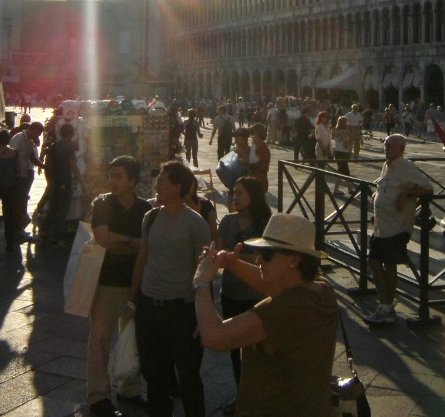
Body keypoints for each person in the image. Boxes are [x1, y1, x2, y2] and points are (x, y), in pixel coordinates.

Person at [194, 213, 338, 417]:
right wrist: (233, 264)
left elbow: (213, 337)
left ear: (294, 260)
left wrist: (201, 280)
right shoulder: (323, 291)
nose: (259, 259)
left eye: (267, 255)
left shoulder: (282, 310)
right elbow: (271, 284)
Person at [130, 161, 212, 417]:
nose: (156, 185)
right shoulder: (151, 216)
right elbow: (142, 258)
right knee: (154, 375)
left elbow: (205, 269)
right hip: (149, 305)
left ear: (177, 187)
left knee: (188, 375)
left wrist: (204, 313)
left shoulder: (195, 223)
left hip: (181, 309)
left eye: (162, 181)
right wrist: (133, 300)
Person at [86, 156, 151, 417]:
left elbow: (144, 248)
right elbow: (103, 239)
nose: (112, 181)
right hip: (106, 280)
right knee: (100, 339)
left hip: (136, 281)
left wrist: (123, 243)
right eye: (110, 175)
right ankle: (98, 396)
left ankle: (130, 389)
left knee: (133, 336)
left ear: (133, 180)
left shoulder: (145, 208)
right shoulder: (102, 203)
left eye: (118, 176)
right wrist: (132, 242)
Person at [213, 177, 271, 414]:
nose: (233, 197)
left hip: (256, 292)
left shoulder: (266, 224)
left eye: (239, 193)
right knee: (235, 350)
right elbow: (218, 253)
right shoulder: (227, 221)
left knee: (260, 350)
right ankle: (242, 396)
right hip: (230, 292)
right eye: (232, 193)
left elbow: (267, 262)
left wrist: (235, 260)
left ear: (253, 196)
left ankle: (262, 398)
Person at [364, 134, 433, 324]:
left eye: (390, 147)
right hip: (382, 225)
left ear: (401, 149)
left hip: (396, 226)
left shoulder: (407, 167)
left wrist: (408, 193)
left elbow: (428, 189)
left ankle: (386, 307)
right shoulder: (387, 165)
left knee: (379, 262)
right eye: (385, 146)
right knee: (382, 263)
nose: (386, 149)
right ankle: (386, 305)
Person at [9, 121, 45, 242]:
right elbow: (12, 155)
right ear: (33, 129)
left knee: (22, 200)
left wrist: (43, 166)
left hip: (25, 174)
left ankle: (18, 228)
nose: (38, 136)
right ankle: (17, 230)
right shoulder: (18, 138)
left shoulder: (29, 141)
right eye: (38, 133)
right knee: (18, 203)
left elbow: (32, 157)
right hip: (18, 176)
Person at [332, 116, 353, 196]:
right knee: (342, 171)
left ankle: (349, 188)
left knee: (344, 171)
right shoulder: (344, 132)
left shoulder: (336, 130)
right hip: (343, 153)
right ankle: (336, 189)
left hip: (337, 152)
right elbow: (346, 145)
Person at [247, 122, 270, 192]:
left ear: (259, 134)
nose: (252, 136)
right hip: (254, 179)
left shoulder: (263, 149)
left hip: (259, 181)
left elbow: (252, 161)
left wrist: (253, 145)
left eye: (253, 134)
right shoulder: (258, 147)